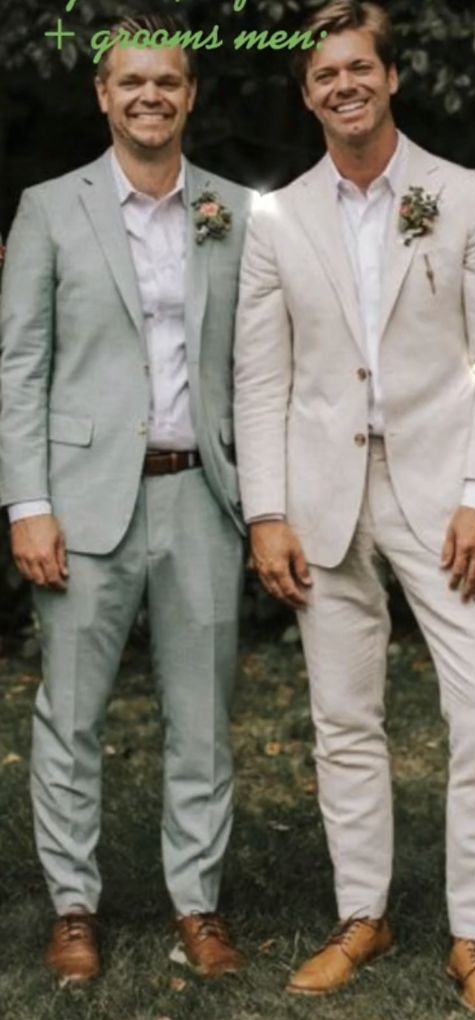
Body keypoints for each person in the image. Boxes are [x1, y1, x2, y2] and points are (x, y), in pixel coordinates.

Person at [234, 1, 475, 1012]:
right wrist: (265, 511)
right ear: (306, 93)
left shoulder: (467, 196)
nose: (342, 86)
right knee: (342, 720)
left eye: (359, 67)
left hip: (447, 503)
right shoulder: (279, 217)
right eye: (323, 75)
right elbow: (261, 375)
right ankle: (363, 914)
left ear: (391, 77)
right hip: (321, 502)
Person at [0, 14, 254, 984]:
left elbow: (258, 361)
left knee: (202, 714)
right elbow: (21, 365)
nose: (151, 97)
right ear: (101, 96)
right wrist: (27, 501)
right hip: (81, 499)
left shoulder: (233, 209)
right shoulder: (49, 208)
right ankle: (73, 906)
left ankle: (197, 903)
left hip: (201, 497)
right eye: (130, 83)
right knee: (71, 716)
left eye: (169, 83)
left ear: (191, 97)